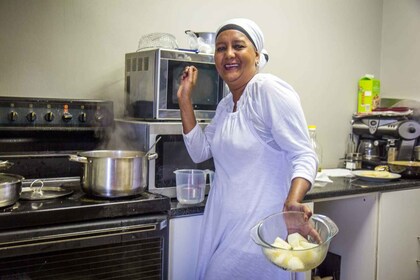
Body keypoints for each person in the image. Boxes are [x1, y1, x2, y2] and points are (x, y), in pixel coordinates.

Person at [177, 18, 318, 280]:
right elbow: (199, 151)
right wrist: (185, 98)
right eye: (221, 48)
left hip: (259, 230)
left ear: (257, 55)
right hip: (224, 226)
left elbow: (304, 154)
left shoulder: (267, 90)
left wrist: (293, 201)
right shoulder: (225, 104)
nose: (228, 54)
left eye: (238, 46)